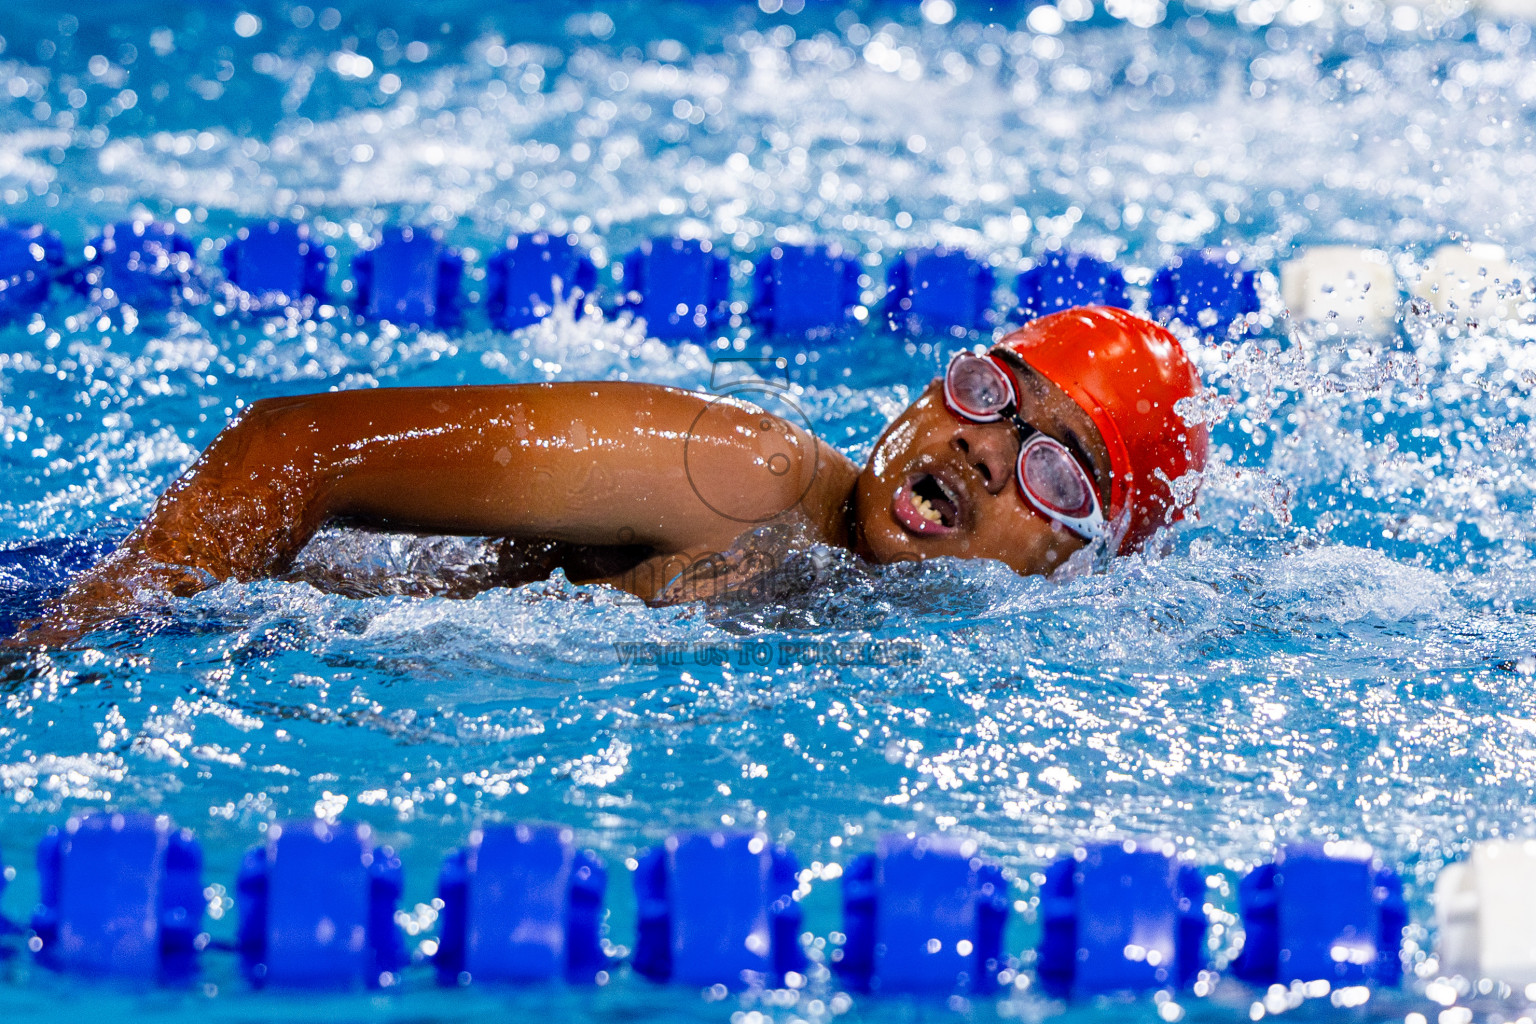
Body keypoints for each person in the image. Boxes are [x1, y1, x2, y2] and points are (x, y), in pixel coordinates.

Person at [13, 306, 1208, 645]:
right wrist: (83, 632)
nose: (985, 448)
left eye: (1056, 469)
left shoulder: (901, 624)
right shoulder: (735, 477)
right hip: (123, 605)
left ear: (1086, 559)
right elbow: (293, 444)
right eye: (988, 391)